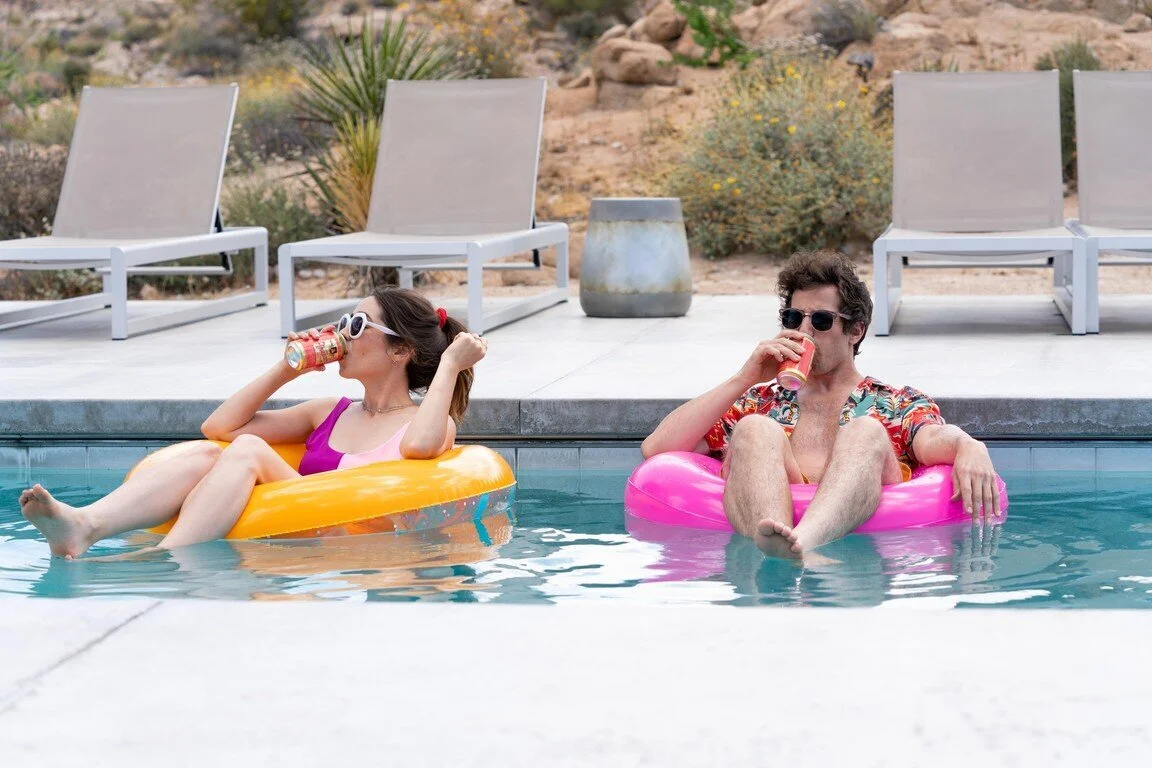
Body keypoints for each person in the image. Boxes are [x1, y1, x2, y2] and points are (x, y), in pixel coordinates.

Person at [20, 287, 487, 559]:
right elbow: (219, 428)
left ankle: (161, 560)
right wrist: (288, 368)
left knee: (248, 452)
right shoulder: (329, 412)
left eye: (357, 326)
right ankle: (87, 524)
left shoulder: (425, 424)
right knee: (212, 453)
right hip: (294, 526)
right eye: (344, 321)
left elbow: (420, 449)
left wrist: (449, 364)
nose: (342, 334)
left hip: (350, 543)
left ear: (400, 350)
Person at [641, 250, 1001, 560]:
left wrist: (969, 445)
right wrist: (744, 378)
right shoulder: (760, 401)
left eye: (821, 320)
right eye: (794, 318)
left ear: (856, 330)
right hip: (767, 522)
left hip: (859, 545)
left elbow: (933, 438)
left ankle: (802, 545)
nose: (805, 331)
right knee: (754, 428)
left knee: (866, 430)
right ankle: (778, 547)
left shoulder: (894, 402)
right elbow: (657, 449)